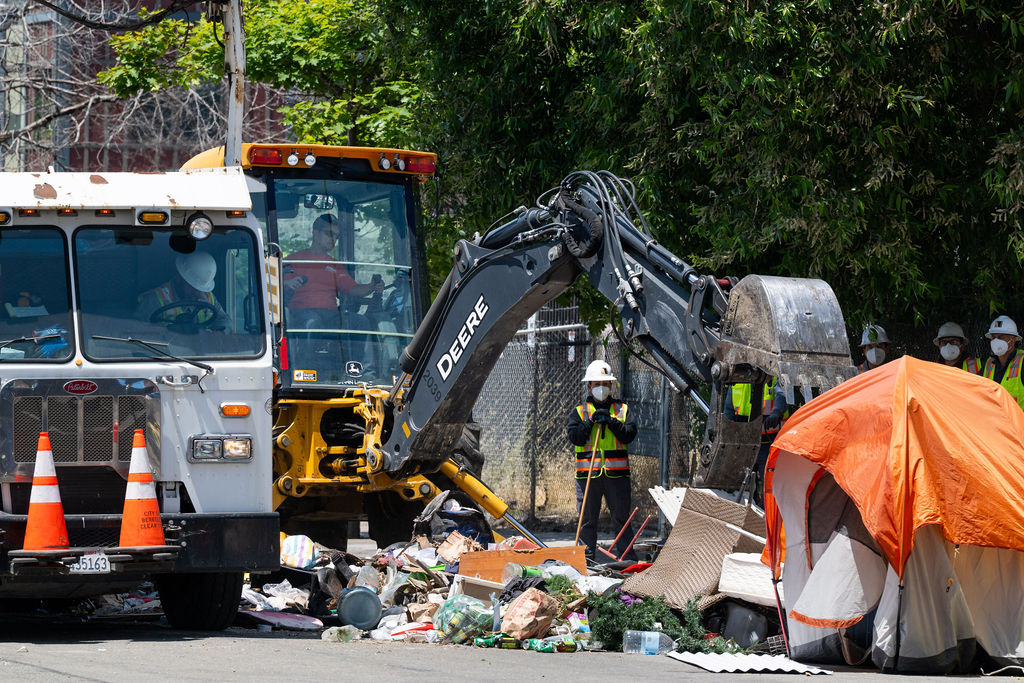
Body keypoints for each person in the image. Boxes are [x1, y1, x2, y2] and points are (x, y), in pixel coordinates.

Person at [283, 214, 384, 369]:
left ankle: (360, 371)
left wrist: (372, 286)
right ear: (315, 233)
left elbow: (353, 289)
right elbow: (278, 284)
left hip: (330, 315)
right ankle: (302, 370)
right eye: (328, 233)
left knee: (360, 321)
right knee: (312, 322)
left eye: (336, 236)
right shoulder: (294, 260)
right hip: (300, 313)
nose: (333, 239)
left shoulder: (334, 265)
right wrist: (288, 282)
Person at [566, 360, 638, 562]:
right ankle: (586, 559)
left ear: (611, 386)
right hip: (587, 474)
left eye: (605, 384)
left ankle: (626, 558)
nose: (601, 388)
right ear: (589, 386)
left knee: (621, 518)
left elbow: (629, 435)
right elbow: (575, 437)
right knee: (587, 520)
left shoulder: (622, 410)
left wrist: (611, 421)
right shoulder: (580, 411)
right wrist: (590, 422)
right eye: (597, 384)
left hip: (617, 475)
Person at [725, 378, 789, 506]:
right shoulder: (738, 377)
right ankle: (750, 517)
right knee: (745, 487)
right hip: (745, 444)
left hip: (769, 443)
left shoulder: (773, 373)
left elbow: (781, 394)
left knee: (770, 486)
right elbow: (729, 409)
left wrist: (777, 412)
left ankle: (770, 519)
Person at [135, 251, 229, 330]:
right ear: (179, 278)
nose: (199, 294)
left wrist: (220, 333)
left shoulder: (209, 298)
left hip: (201, 350)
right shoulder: (154, 299)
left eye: (201, 289)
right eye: (193, 287)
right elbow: (139, 332)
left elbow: (225, 321)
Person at [982, 315, 1024, 410]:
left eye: (1001, 337)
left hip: (1018, 423)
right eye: (993, 338)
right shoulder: (988, 364)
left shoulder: (1022, 362)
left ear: (1012, 341)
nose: (996, 341)